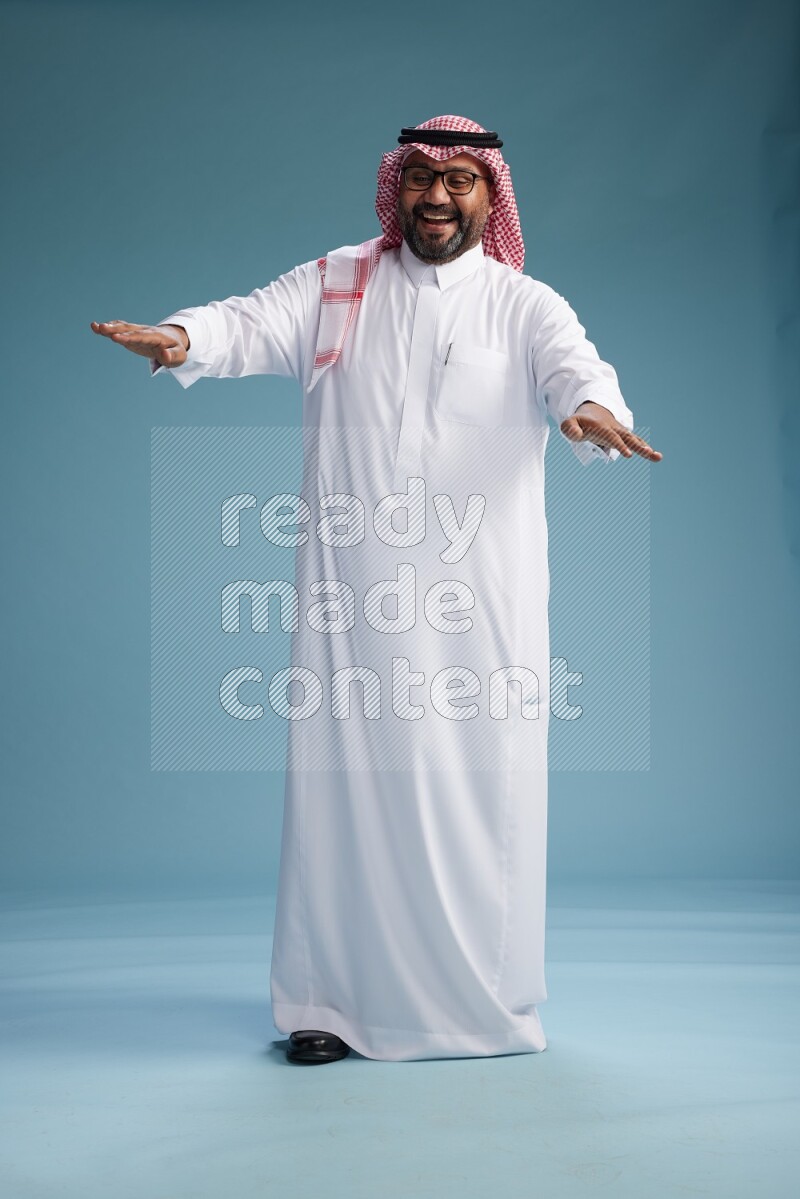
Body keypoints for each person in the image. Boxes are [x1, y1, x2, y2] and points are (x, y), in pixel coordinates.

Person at [91, 114, 661, 1067]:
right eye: (421, 177)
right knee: (341, 801)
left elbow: (576, 370)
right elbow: (247, 321)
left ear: (490, 195)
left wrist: (592, 410)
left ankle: (480, 1009)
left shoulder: (524, 306)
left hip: (477, 610)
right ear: (397, 186)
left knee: (476, 797)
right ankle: (326, 1004)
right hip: (350, 605)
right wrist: (182, 337)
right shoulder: (339, 282)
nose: (437, 195)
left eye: (459, 179)